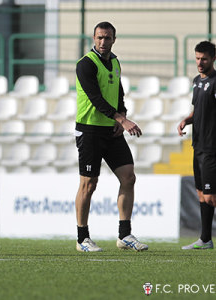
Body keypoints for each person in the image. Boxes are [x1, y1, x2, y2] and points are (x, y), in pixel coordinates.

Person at [75, 21, 148, 252]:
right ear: (93, 39)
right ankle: (82, 238)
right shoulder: (85, 64)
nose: (103, 42)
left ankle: (124, 235)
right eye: (99, 38)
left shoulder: (115, 62)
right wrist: (122, 120)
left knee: (129, 177)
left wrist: (122, 113)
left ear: (114, 39)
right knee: (89, 184)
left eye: (107, 38)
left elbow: (118, 92)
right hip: (90, 130)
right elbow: (96, 99)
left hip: (111, 129)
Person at [178, 40, 216, 250]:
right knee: (202, 194)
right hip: (198, 146)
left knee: (211, 197)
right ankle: (205, 239)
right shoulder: (196, 81)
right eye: (197, 59)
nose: (200, 63)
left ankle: (205, 239)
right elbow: (198, 110)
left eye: (204, 59)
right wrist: (186, 120)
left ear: (213, 59)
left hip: (212, 148)